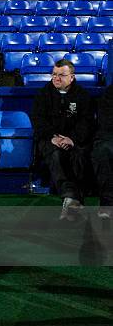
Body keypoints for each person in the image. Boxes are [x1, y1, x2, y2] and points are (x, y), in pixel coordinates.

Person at [31, 59, 93, 220]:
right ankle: (72, 198)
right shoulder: (43, 94)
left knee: (79, 155)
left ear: (71, 77)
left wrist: (72, 138)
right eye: (54, 75)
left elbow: (86, 122)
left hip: (74, 140)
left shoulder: (83, 95)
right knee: (56, 155)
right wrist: (53, 138)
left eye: (61, 75)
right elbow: (38, 121)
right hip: (49, 140)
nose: (56, 78)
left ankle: (71, 200)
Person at [92, 84, 113, 218]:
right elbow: (105, 121)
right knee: (103, 151)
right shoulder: (110, 93)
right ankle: (107, 203)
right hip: (110, 136)